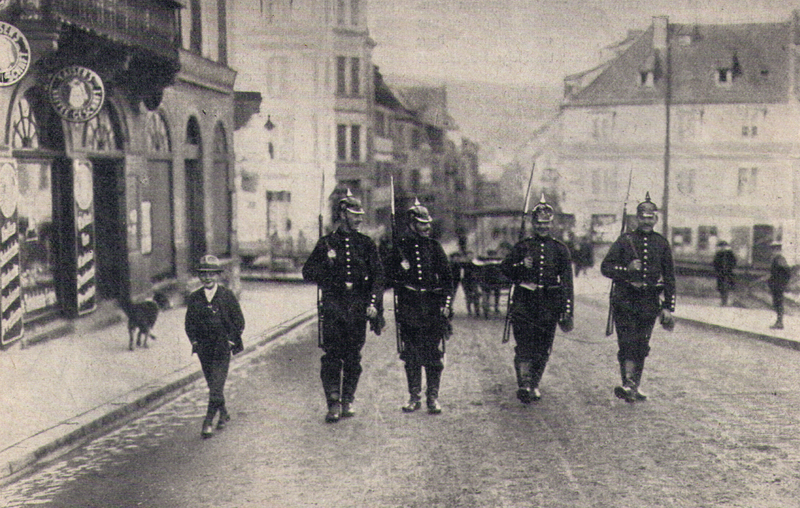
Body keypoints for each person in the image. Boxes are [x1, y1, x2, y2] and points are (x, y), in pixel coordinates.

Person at [302, 191, 384, 423]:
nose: (359, 218)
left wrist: (373, 304)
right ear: (342, 214)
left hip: (357, 309)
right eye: (354, 214)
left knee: (353, 357)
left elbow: (379, 277)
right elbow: (307, 272)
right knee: (331, 357)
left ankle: (348, 398)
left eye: (361, 214)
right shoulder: (326, 243)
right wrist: (326, 271)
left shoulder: (366, 244)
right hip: (333, 309)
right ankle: (333, 402)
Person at [601, 193, 675, 403]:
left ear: (656, 220)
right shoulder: (625, 240)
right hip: (625, 299)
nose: (647, 221)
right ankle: (627, 384)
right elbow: (605, 267)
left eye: (651, 218)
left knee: (642, 344)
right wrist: (626, 269)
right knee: (626, 343)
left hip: (649, 301)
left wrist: (668, 306)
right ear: (637, 218)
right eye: (643, 217)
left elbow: (669, 276)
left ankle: (634, 385)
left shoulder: (661, 244)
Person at [500, 196, 574, 403]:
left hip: (549, 305)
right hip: (524, 303)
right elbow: (505, 270)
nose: (543, 227)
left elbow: (567, 282)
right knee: (524, 345)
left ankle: (534, 384)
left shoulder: (560, 249)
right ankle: (523, 384)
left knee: (543, 347)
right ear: (533, 224)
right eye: (539, 223)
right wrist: (521, 265)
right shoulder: (522, 245)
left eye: (547, 223)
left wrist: (567, 309)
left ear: (552, 224)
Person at [385, 199, 454, 414]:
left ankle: (432, 397)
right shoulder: (400, 246)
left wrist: (446, 305)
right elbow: (388, 277)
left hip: (432, 307)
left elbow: (448, 280)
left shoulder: (434, 247)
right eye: (423, 224)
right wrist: (397, 267)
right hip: (409, 307)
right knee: (412, 354)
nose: (427, 228)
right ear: (412, 224)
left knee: (433, 354)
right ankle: (414, 397)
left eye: (428, 224)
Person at [185, 255, 246, 438]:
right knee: (213, 384)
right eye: (203, 274)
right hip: (204, 348)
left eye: (211, 274)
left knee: (217, 384)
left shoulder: (227, 295)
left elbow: (239, 321)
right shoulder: (195, 297)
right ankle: (224, 413)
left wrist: (230, 341)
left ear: (217, 275)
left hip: (221, 347)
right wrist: (195, 341)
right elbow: (189, 323)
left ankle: (208, 421)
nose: (207, 278)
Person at [767, 240, 791, 330]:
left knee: (778, 303)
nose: (773, 252)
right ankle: (778, 322)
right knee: (776, 303)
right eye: (772, 250)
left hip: (778, 285)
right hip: (776, 285)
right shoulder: (777, 259)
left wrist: (783, 282)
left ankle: (779, 322)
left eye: (775, 250)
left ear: (778, 250)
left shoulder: (780, 259)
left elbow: (787, 272)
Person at [712, 240, 736, 306]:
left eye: (723, 246)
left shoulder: (729, 253)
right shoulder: (719, 254)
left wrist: (729, 268)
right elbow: (715, 263)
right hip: (721, 273)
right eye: (721, 246)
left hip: (727, 273)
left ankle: (725, 301)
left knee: (726, 287)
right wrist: (717, 270)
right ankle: (723, 301)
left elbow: (734, 262)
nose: (722, 248)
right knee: (721, 288)